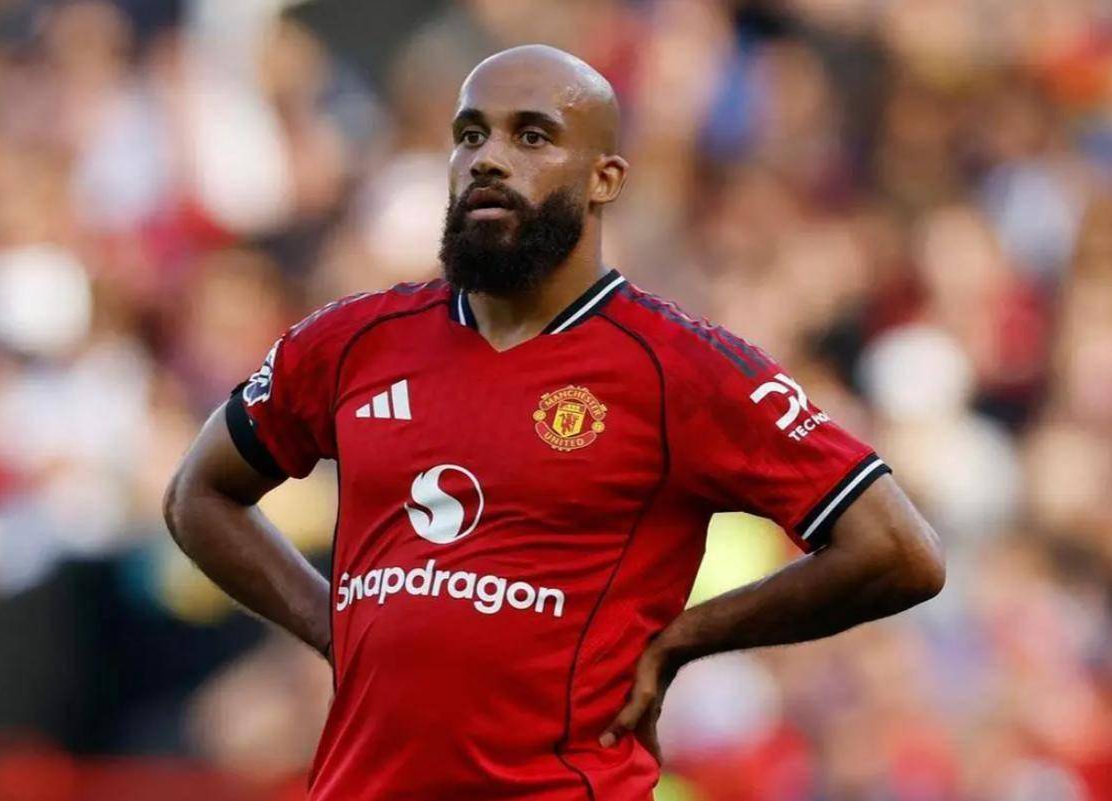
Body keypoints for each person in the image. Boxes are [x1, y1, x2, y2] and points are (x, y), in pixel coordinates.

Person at [163, 44, 945, 801]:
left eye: (531, 136)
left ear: (605, 178)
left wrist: (686, 637)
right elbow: (197, 494)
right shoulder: (351, 341)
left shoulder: (683, 368)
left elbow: (898, 550)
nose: (488, 159)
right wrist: (332, 624)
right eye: (470, 134)